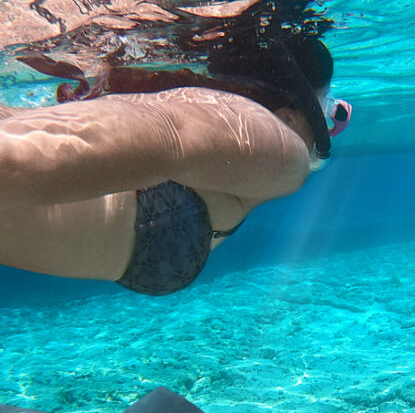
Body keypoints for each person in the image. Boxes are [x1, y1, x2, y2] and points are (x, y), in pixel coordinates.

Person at [0, 35, 351, 295]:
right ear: (291, 112)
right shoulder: (282, 150)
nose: (329, 122)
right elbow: (166, 135)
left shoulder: (239, 148)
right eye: (326, 106)